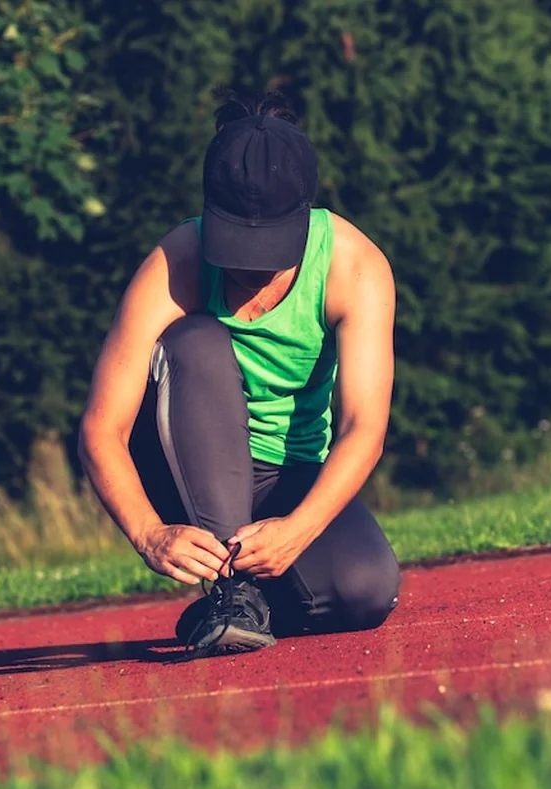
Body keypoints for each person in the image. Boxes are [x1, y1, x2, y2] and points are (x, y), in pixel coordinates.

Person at [78, 88, 400, 657]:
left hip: (290, 471)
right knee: (197, 338)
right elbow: (101, 428)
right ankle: (233, 595)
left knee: (365, 593)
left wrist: (296, 530)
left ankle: (238, 606)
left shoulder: (355, 267)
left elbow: (362, 429)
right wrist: (149, 534)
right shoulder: (175, 261)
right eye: (237, 243)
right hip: (185, 457)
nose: (251, 265)